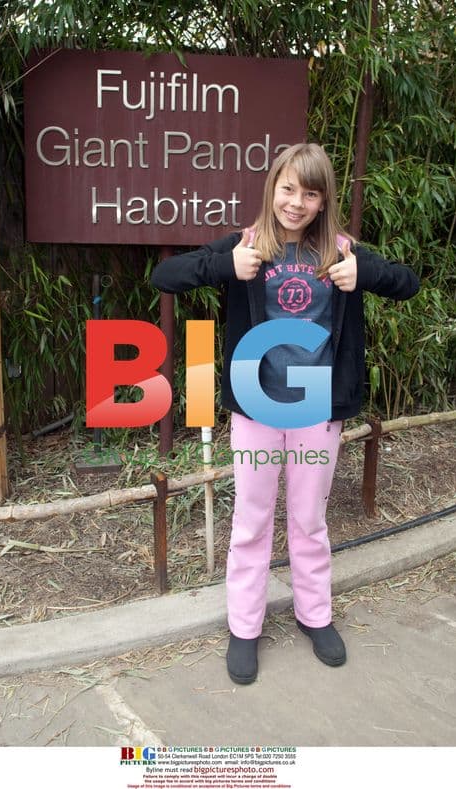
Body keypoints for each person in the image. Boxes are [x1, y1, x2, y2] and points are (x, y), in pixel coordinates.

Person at [151, 143, 419, 684]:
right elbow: (168, 276)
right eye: (288, 188)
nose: (296, 202)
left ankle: (314, 615)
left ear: (324, 201)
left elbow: (407, 283)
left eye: (310, 192)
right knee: (251, 521)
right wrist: (223, 265)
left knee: (308, 519)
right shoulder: (246, 247)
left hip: (317, 406)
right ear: (272, 189)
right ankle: (244, 626)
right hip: (257, 404)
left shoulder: (342, 253)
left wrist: (362, 273)